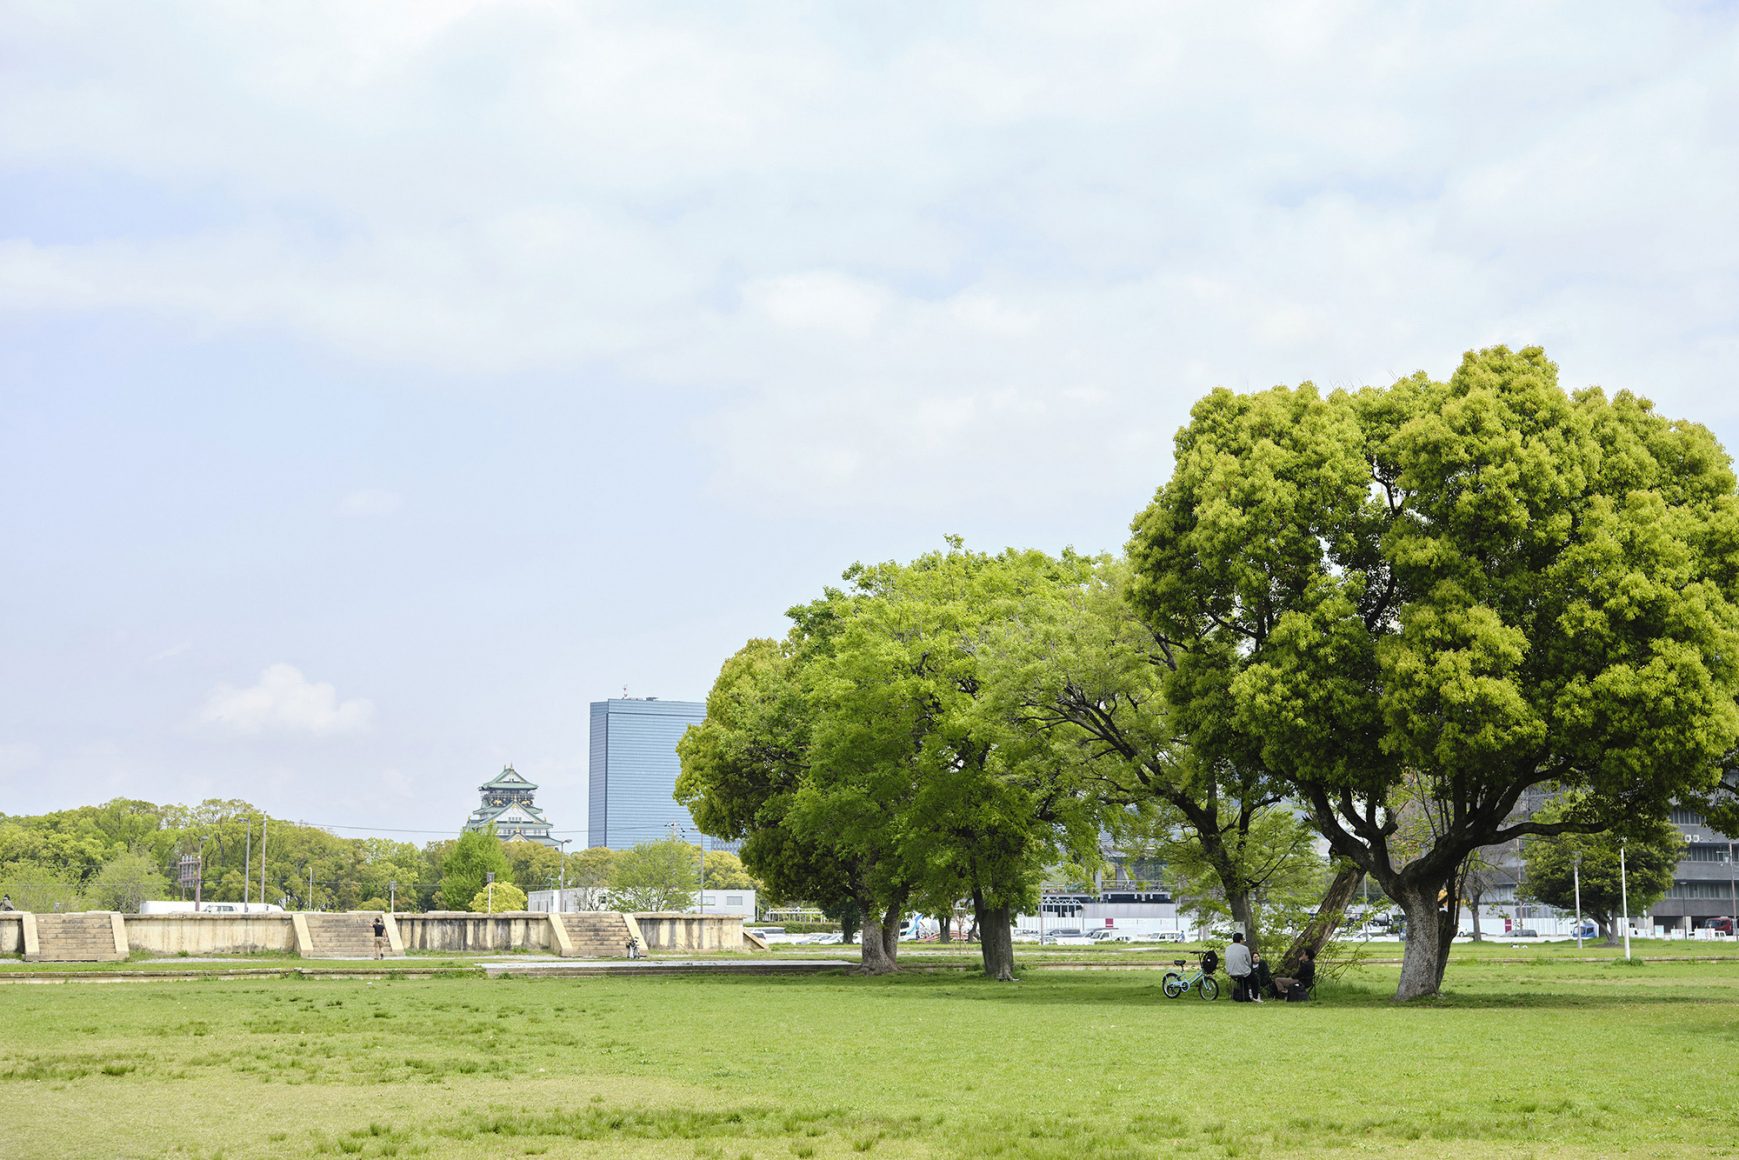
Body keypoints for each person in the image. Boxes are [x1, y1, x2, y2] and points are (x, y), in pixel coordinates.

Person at [1225, 931, 1258, 1002]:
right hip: (1242, 972)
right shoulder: (1244, 948)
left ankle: (1245, 997)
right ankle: (1255, 997)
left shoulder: (1227, 948)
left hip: (1231, 971)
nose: (1243, 941)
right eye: (1243, 939)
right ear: (1240, 940)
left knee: (1244, 979)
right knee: (1255, 980)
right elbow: (1249, 962)